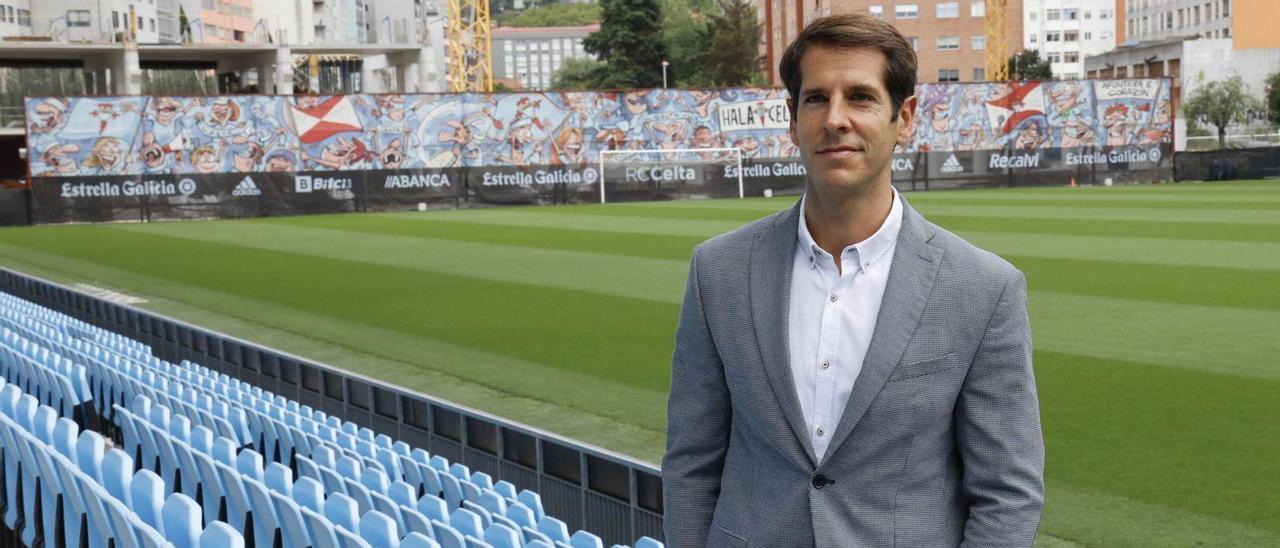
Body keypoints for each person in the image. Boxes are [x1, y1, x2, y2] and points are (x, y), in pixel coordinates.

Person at [662, 14, 1044, 547]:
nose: (835, 118)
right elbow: (690, 464)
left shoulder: (983, 288)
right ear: (792, 120)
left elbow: (1008, 493)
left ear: (904, 117)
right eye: (816, 98)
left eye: (860, 97)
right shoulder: (718, 270)